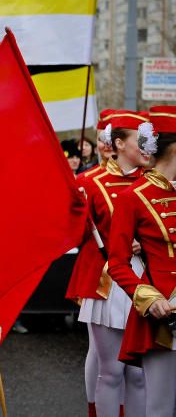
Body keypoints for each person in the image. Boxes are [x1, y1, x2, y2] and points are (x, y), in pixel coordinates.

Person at [68, 110, 149, 417]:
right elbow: (74, 237)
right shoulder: (89, 183)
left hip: (148, 281)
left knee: (139, 373)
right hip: (108, 283)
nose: (146, 148)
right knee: (111, 369)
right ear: (120, 143)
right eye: (139, 141)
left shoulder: (154, 183)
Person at [108, 105, 176, 416]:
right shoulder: (133, 197)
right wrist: (149, 299)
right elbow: (117, 263)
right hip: (165, 317)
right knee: (161, 408)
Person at [64, 109, 115, 415]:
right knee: (99, 349)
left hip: (140, 272)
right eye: (102, 139)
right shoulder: (87, 180)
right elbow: (74, 230)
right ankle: (96, 407)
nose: (106, 145)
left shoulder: (145, 179)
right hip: (100, 272)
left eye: (112, 138)